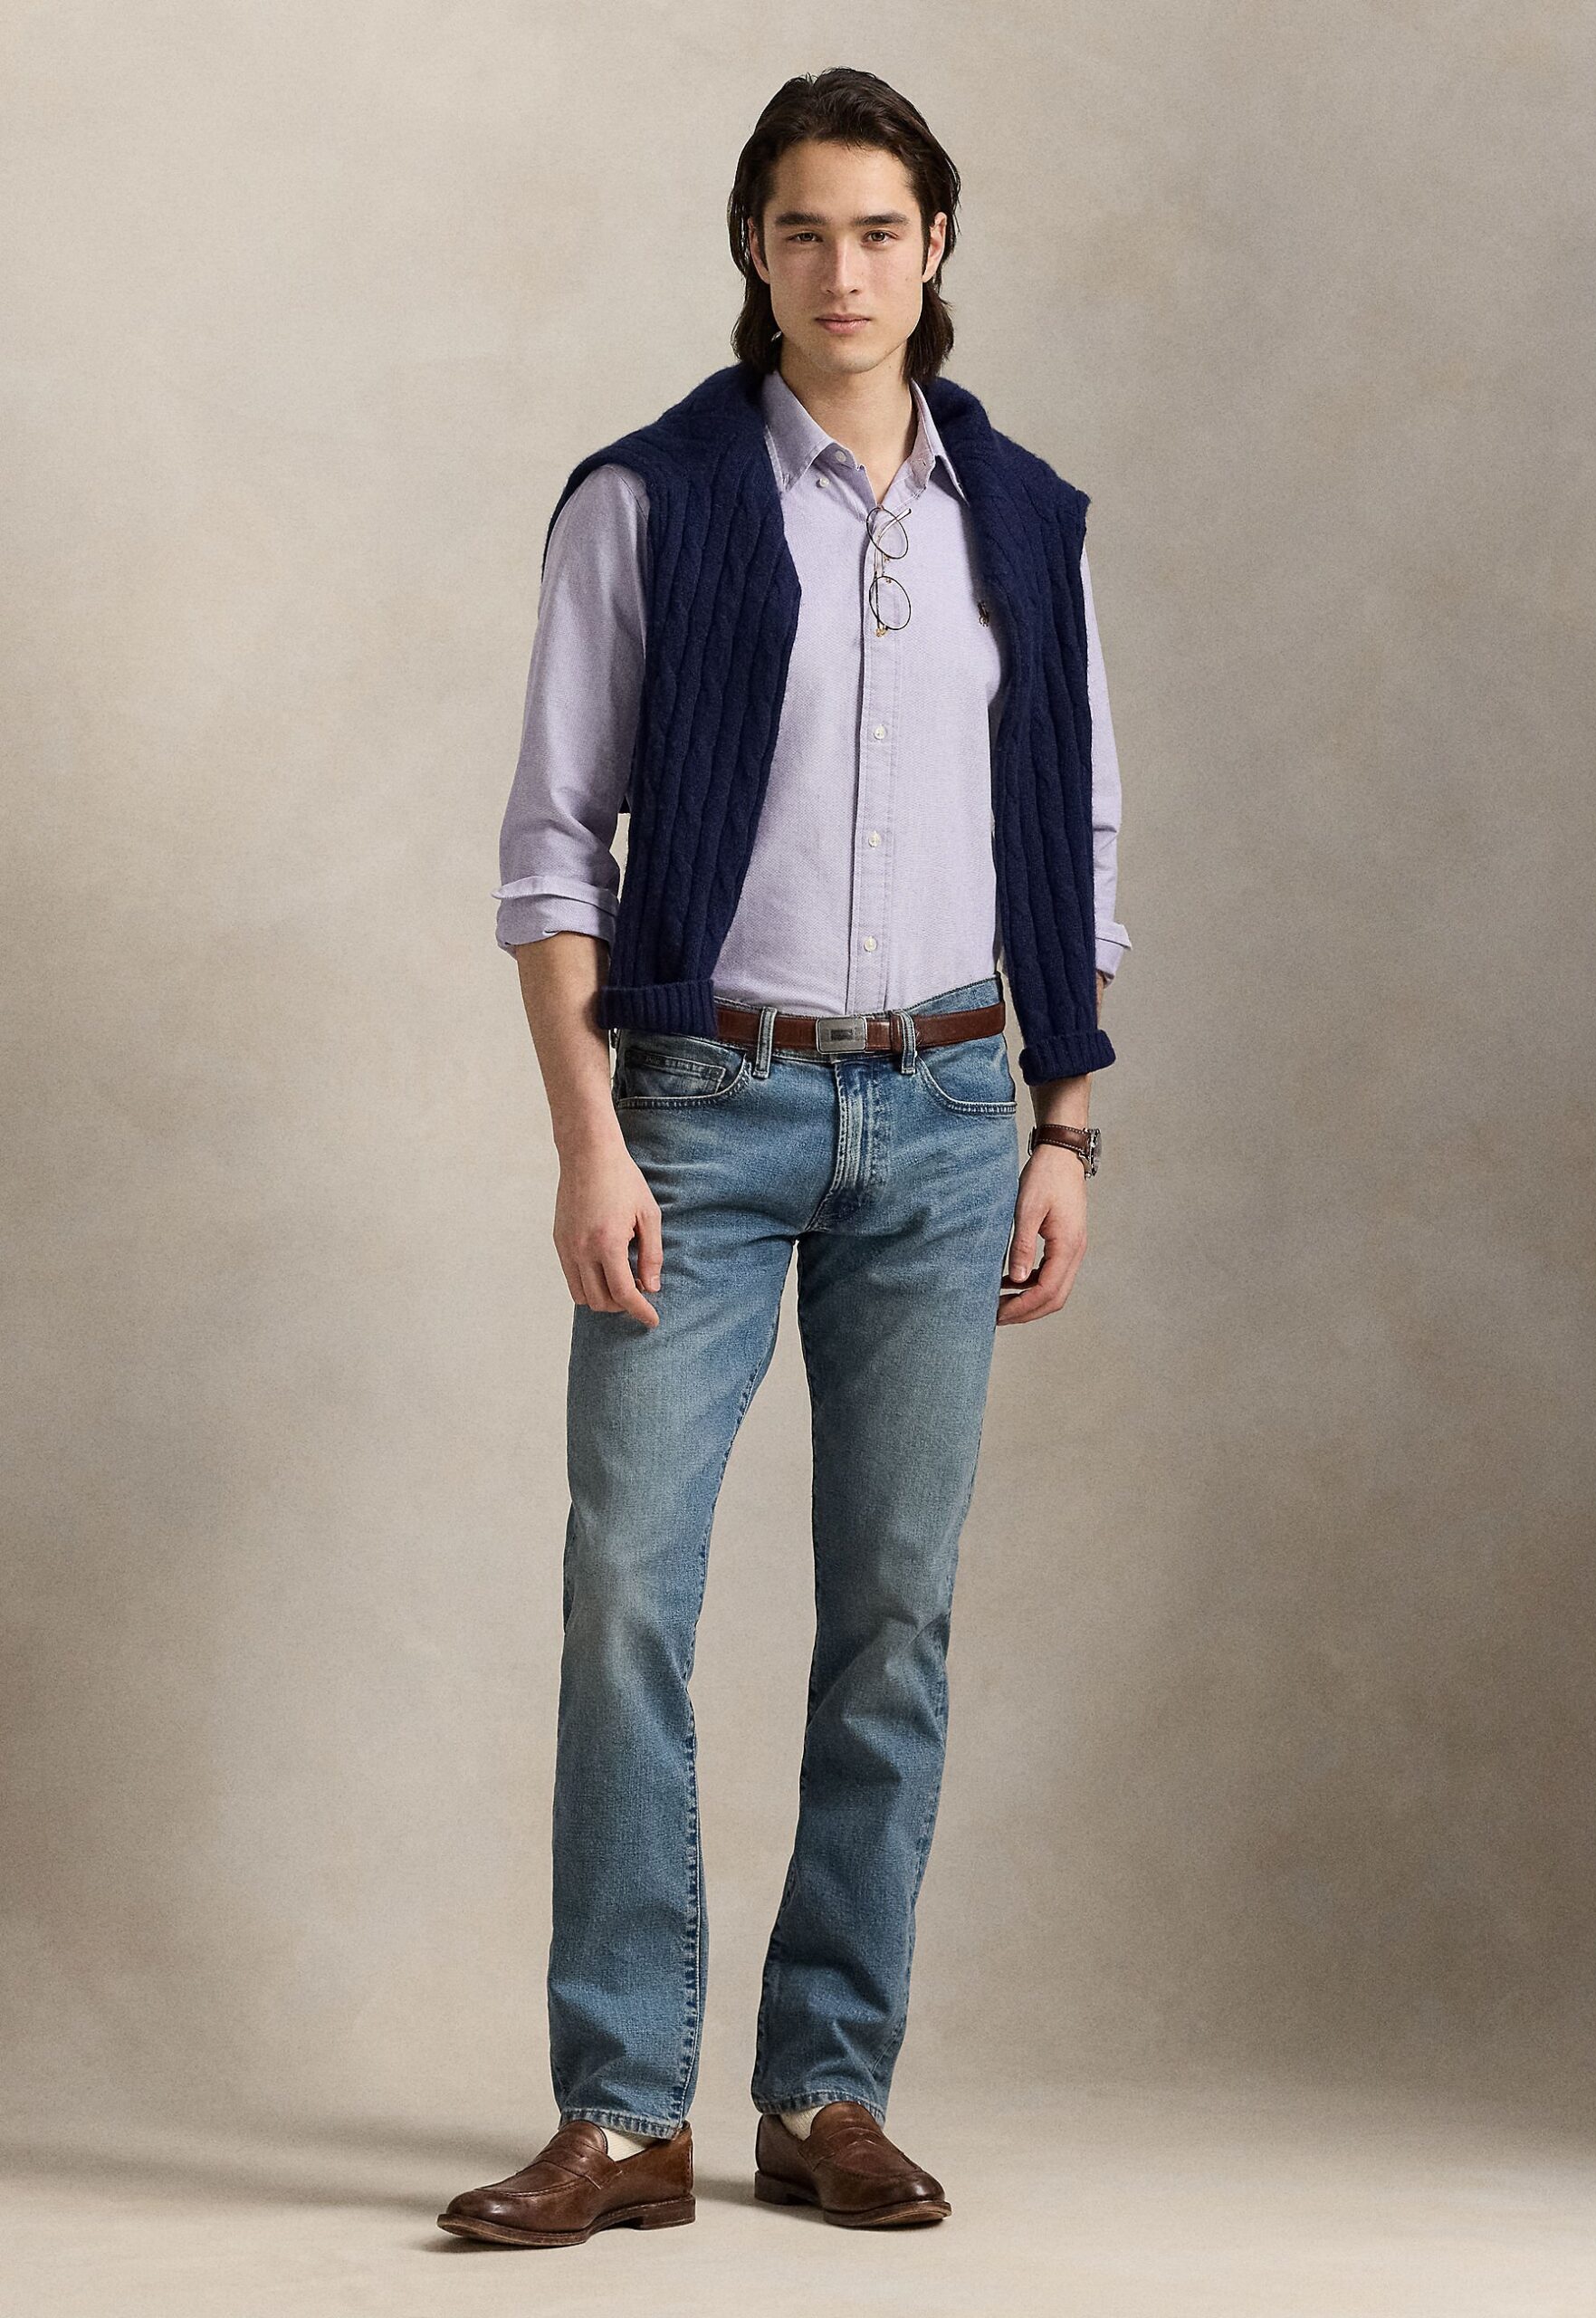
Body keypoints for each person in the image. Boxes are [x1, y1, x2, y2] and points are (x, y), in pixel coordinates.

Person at [438, 64, 1131, 2251]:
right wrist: (588, 1139)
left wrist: (1062, 1122)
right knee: (628, 1591)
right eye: (803, 229)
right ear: (752, 249)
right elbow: (551, 849)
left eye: (881, 229)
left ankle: (825, 2084)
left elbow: (1075, 830)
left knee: (892, 1616)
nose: (844, 269)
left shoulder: (1022, 518)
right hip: (701, 1110)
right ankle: (620, 2107)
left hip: (946, 1114)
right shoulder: (646, 502)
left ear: (938, 249)